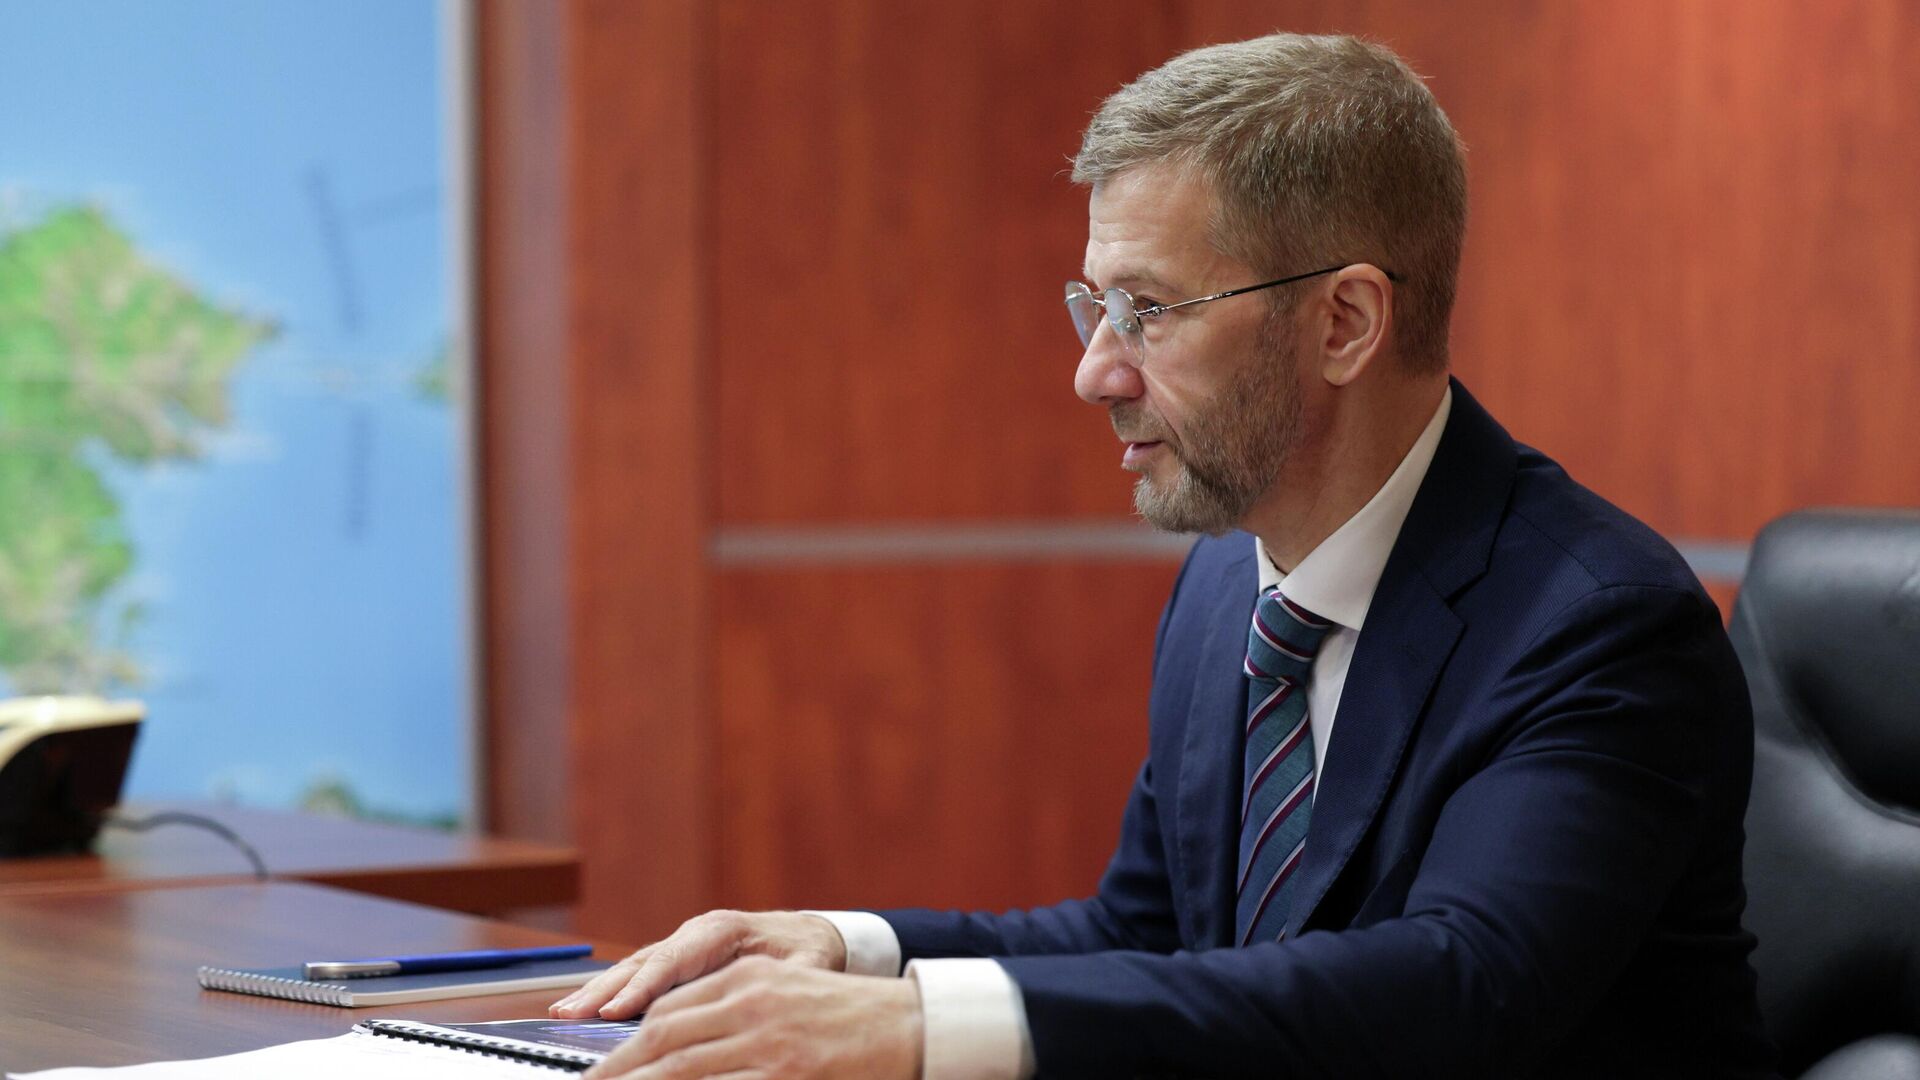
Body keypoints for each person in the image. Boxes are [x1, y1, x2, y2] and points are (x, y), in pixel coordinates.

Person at [558, 32, 1777, 1079]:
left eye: (1148, 310)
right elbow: (1147, 936)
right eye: (1094, 307)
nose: (1095, 371)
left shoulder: (1598, 625)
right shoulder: (1227, 585)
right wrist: (851, 951)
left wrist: (923, 1030)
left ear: (1345, 323)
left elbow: (1460, 988)